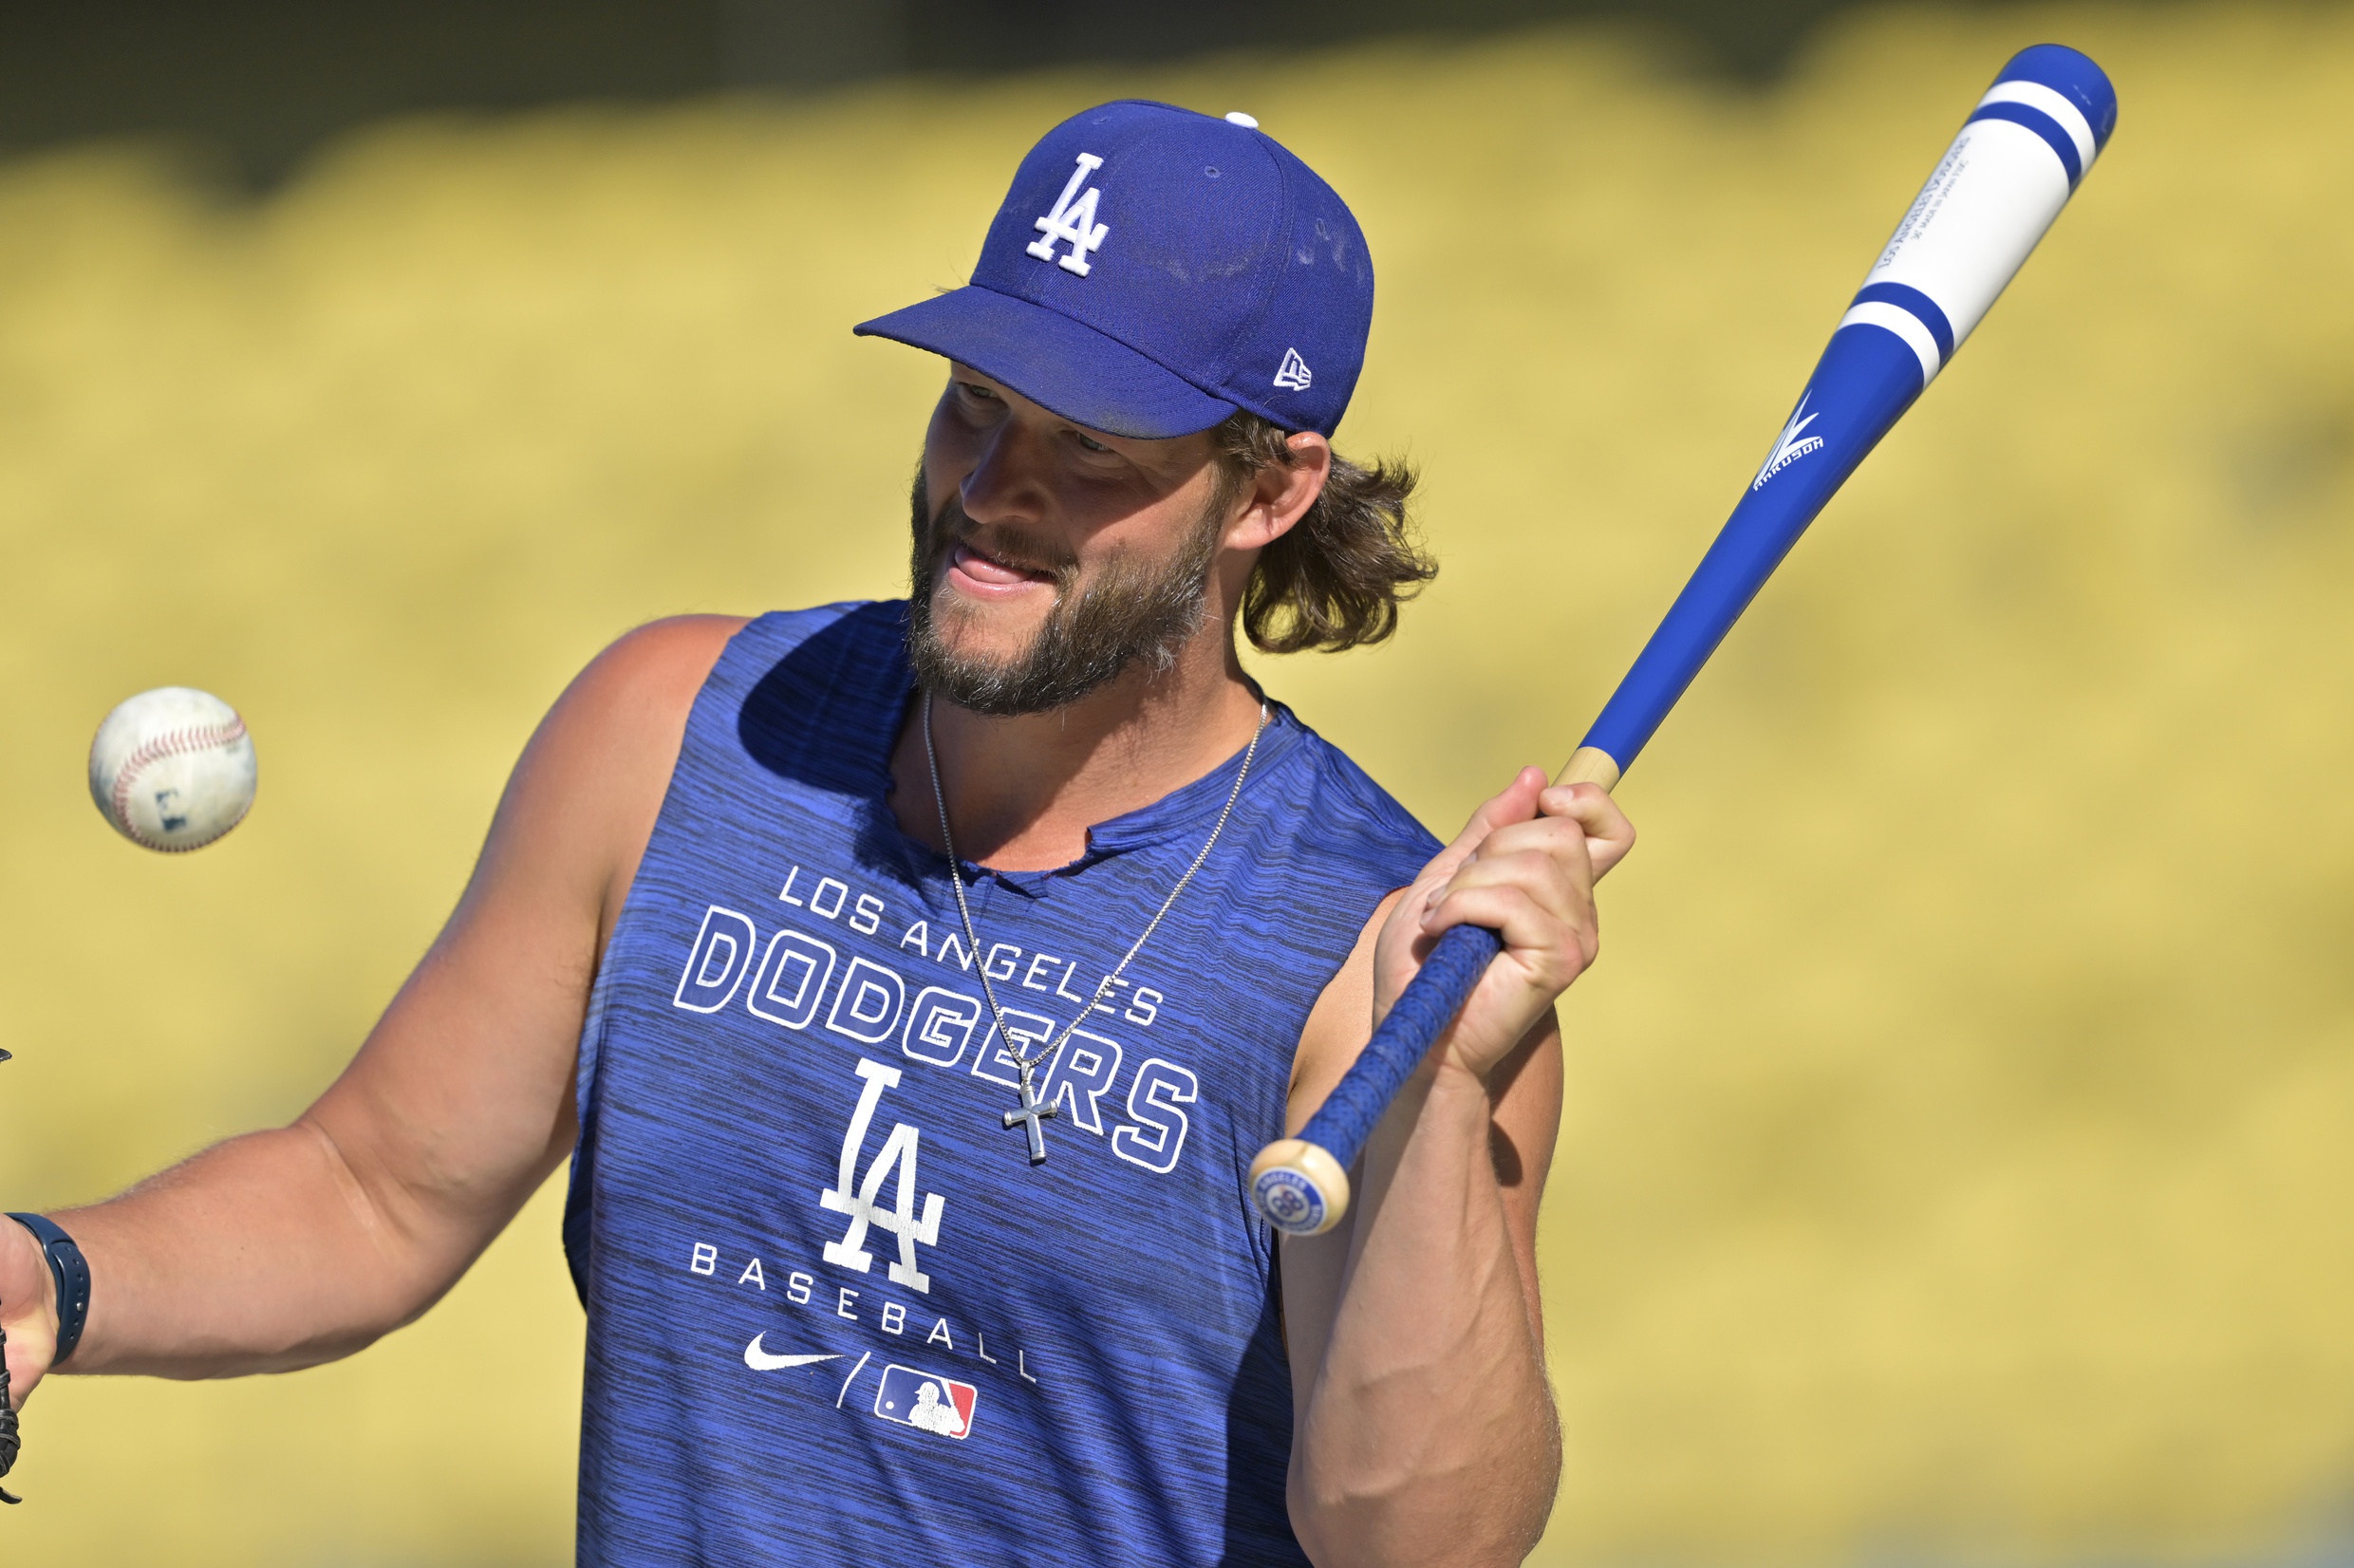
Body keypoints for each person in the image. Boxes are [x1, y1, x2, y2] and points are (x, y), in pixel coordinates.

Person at [0, 100, 1633, 1566]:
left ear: (1265, 492)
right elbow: (371, 1192)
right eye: (973, 406)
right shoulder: (680, 726)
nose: (993, 485)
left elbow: (1420, 1547)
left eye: (1085, 447)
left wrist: (1434, 1097)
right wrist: (50, 1279)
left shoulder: (1380, 951)